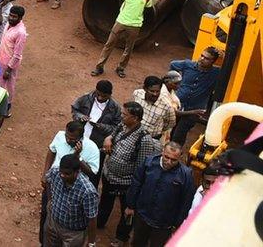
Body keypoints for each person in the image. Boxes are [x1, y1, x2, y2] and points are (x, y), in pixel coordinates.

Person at [97, 101, 162, 245]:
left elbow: (141, 168)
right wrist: (108, 139)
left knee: (127, 211)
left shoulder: (143, 139)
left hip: (125, 184)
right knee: (105, 202)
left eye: (124, 115)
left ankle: (121, 237)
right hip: (109, 176)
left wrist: (135, 189)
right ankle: (99, 223)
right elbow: (112, 135)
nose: (121, 117)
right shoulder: (122, 125)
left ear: (135, 118)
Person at [125, 142, 196, 246]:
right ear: (162, 151)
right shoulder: (149, 163)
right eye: (166, 157)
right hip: (142, 215)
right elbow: (136, 183)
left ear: (180, 157)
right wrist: (130, 205)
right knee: (137, 242)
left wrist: (178, 225)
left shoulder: (185, 175)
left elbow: (186, 201)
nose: (169, 161)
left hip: (164, 223)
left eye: (173, 160)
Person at [92, 0, 152, 78]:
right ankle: (99, 67)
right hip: (120, 21)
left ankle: (121, 68)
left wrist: (137, 18)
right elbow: (120, 2)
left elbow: (147, 10)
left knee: (129, 48)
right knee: (109, 44)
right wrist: (123, 14)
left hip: (135, 25)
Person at [42, 153, 99, 247]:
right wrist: (50, 200)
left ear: (77, 172)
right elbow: (48, 179)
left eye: (67, 174)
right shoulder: (55, 172)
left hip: (73, 234)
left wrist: (91, 242)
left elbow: (92, 219)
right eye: (61, 172)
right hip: (53, 223)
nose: (62, 176)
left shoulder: (88, 192)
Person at [168, 47, 221, 145]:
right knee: (170, 129)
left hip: (195, 109)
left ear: (213, 61)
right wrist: (174, 82)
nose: (202, 59)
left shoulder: (216, 73)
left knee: (179, 134)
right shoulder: (188, 64)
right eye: (202, 55)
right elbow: (173, 64)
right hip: (178, 104)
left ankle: (174, 152)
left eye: (206, 58)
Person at [71, 80, 122, 178]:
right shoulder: (86, 98)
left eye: (104, 96)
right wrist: (80, 117)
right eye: (98, 94)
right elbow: (75, 109)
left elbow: (116, 127)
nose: (99, 98)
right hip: (80, 139)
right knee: (74, 165)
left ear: (110, 95)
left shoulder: (115, 107)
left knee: (93, 172)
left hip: (98, 146)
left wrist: (102, 127)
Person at [0, 5, 26, 108]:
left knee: (9, 86)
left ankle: (7, 106)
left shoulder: (21, 33)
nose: (11, 18)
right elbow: (3, 40)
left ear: (20, 18)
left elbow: (17, 54)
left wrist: (9, 69)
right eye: (10, 15)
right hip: (0, 59)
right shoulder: (9, 23)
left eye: (14, 17)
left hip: (9, 64)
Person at [134, 76, 176, 140]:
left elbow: (171, 123)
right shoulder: (137, 94)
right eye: (152, 91)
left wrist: (158, 129)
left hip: (151, 138)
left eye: (157, 91)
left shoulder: (167, 106)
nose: (155, 94)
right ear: (145, 88)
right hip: (134, 133)